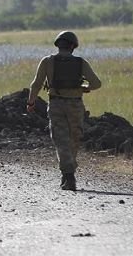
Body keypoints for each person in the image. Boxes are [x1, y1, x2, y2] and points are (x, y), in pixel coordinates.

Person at [26, 31, 101, 191]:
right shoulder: (81, 62)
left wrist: (31, 102)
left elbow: (36, 84)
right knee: (74, 138)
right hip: (75, 104)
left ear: (57, 44)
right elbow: (96, 83)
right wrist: (83, 87)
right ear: (73, 46)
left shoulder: (47, 61)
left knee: (61, 140)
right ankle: (69, 172)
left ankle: (68, 175)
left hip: (56, 104)